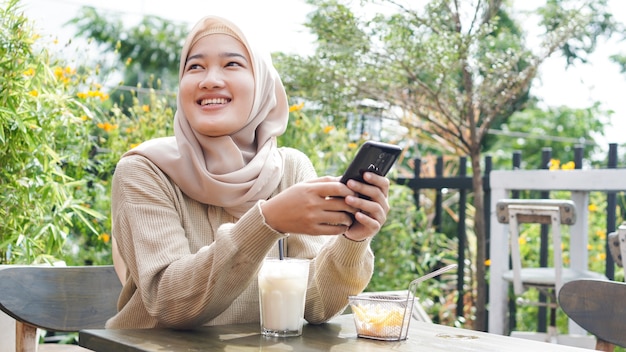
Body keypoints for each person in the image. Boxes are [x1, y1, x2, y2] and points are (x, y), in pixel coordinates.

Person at [106, 15, 391, 329]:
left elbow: (316, 304)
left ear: (263, 86)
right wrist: (268, 221)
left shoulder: (290, 169)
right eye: (195, 66)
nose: (209, 80)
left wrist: (353, 240)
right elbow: (170, 303)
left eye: (231, 65)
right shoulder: (145, 170)